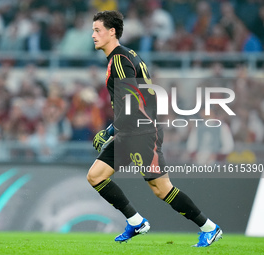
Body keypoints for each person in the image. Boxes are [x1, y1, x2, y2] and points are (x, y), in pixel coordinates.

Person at [88, 10, 222, 247]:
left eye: (97, 30)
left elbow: (132, 104)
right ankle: (136, 221)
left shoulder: (119, 60)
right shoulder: (129, 56)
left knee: (161, 189)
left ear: (112, 32)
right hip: (130, 131)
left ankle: (209, 227)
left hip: (141, 133)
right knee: (96, 176)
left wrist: (109, 131)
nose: (93, 35)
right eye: (93, 30)